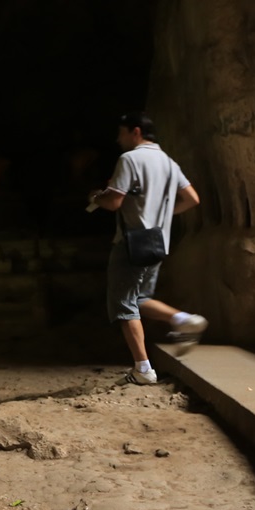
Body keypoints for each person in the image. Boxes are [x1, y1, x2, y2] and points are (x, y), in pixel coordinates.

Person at [88, 112, 207, 384]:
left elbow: (114, 202)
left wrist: (95, 197)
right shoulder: (168, 162)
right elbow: (192, 199)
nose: (118, 139)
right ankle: (184, 320)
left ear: (136, 132)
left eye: (122, 133)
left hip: (131, 243)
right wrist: (162, 217)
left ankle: (143, 370)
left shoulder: (130, 159)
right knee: (140, 298)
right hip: (157, 242)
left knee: (124, 304)